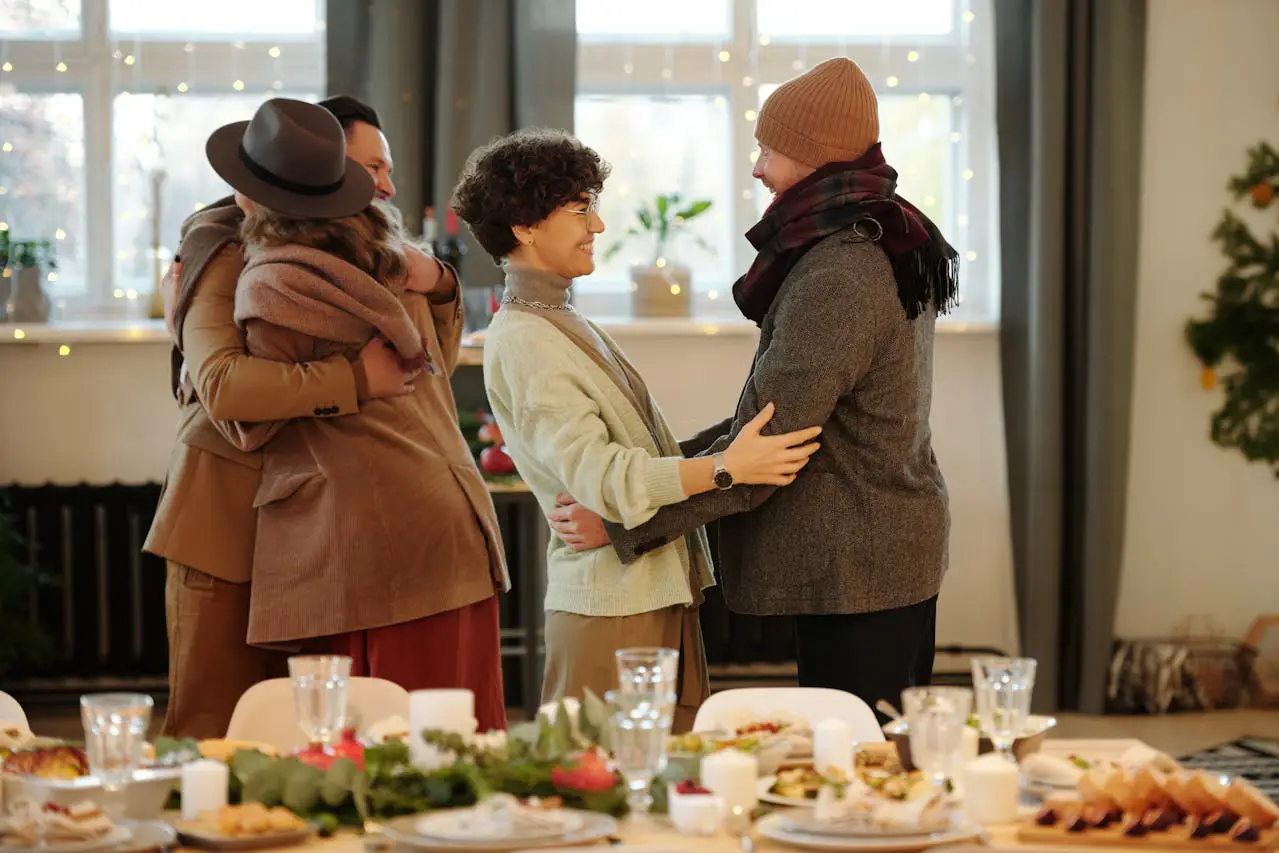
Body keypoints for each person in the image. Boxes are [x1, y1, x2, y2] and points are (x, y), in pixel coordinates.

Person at [551, 58, 957, 718]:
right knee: (875, 766)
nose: (757, 167)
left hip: (857, 566)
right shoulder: (883, 232)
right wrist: (642, 474)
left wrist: (624, 516)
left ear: (812, 155)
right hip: (879, 554)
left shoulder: (841, 271)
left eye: (768, 148)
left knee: (854, 775)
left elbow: (766, 450)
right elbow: (763, 426)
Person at [451, 128, 821, 731]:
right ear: (524, 226)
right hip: (611, 611)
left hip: (647, 593)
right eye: (579, 209)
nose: (596, 225)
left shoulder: (562, 317)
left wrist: (732, 444)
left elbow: (643, 452)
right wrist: (729, 467)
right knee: (601, 795)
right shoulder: (526, 338)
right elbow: (606, 480)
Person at [203, 97, 509, 732]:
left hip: (368, 546)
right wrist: (443, 285)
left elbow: (236, 405)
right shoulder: (391, 258)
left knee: (373, 745)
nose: (387, 184)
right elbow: (434, 368)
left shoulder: (273, 281)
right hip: (440, 523)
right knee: (451, 741)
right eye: (373, 167)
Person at [145, 94, 419, 739]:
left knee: (307, 733)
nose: (379, 185)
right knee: (213, 729)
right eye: (366, 168)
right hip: (226, 522)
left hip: (310, 533)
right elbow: (220, 383)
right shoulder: (222, 247)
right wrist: (355, 380)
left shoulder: (340, 243)